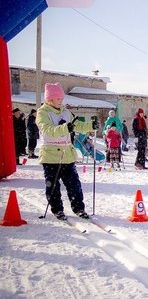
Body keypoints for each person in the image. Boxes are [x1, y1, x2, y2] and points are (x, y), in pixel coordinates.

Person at [36, 82, 98, 220]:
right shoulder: (42, 113)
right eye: (58, 98)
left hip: (67, 155)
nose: (61, 101)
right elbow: (47, 130)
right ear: (50, 99)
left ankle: (79, 209)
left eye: (62, 98)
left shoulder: (65, 111)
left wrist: (90, 126)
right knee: (53, 187)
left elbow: (77, 125)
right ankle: (57, 209)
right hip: (50, 156)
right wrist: (65, 128)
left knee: (74, 184)